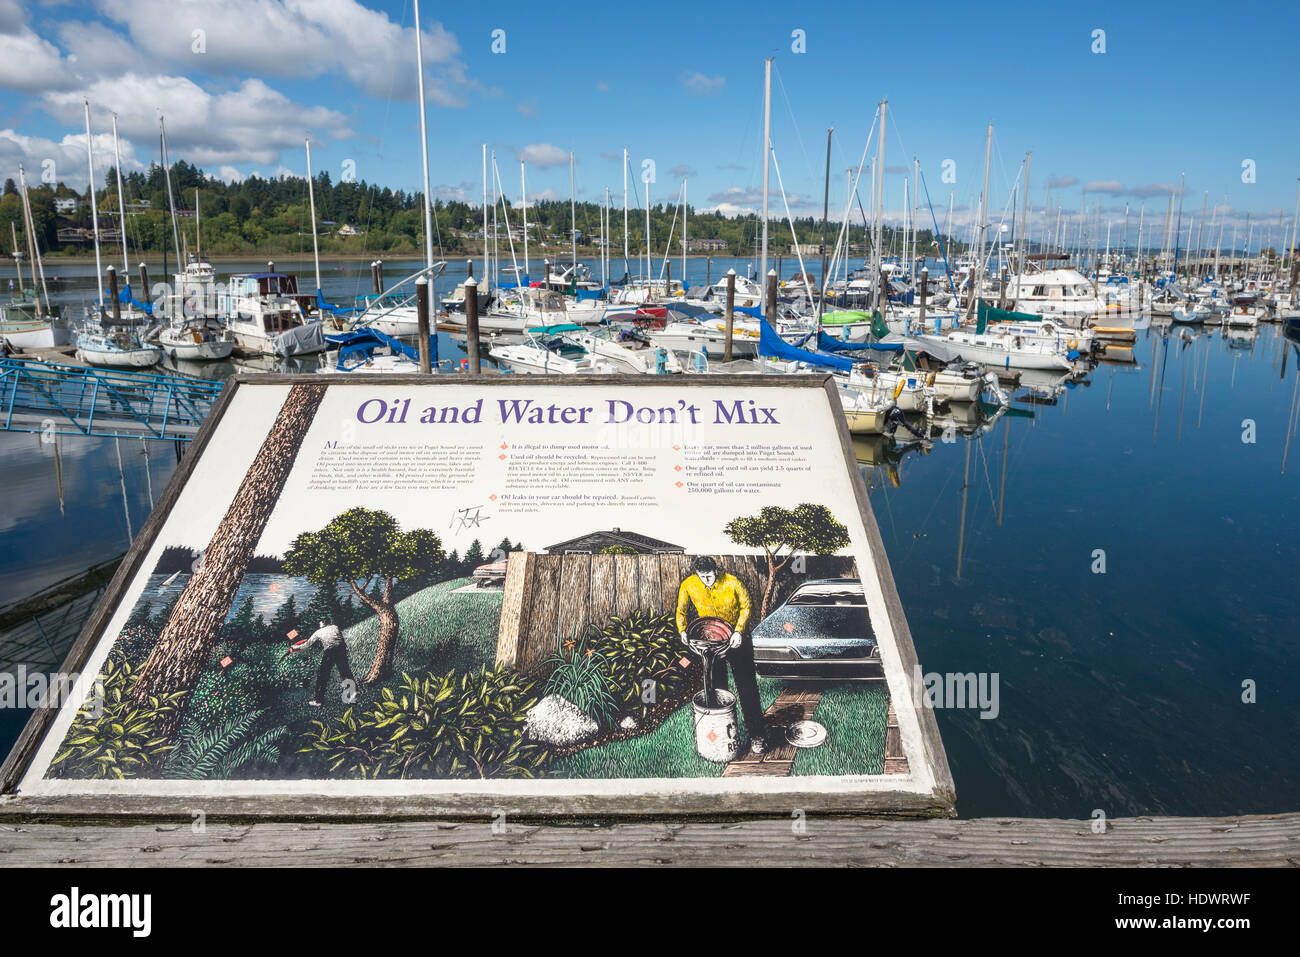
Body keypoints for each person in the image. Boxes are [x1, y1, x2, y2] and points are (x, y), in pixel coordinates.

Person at [675, 556, 768, 754]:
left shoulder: (732, 582)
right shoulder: (689, 584)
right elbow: (681, 611)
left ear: (716, 571)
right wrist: (682, 630)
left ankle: (757, 735)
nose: (706, 580)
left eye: (709, 576)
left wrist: (738, 631)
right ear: (697, 574)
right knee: (717, 688)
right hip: (711, 640)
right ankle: (720, 736)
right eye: (702, 577)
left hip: (737, 639)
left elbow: (746, 606)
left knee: (747, 687)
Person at [290, 620, 357, 707]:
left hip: (330, 651)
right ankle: (354, 695)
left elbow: (307, 644)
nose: (319, 624)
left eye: (320, 622)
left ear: (322, 623)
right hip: (341, 649)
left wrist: (295, 647)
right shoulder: (335, 627)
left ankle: (319, 700)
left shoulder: (318, 632)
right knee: (345, 672)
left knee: (322, 676)